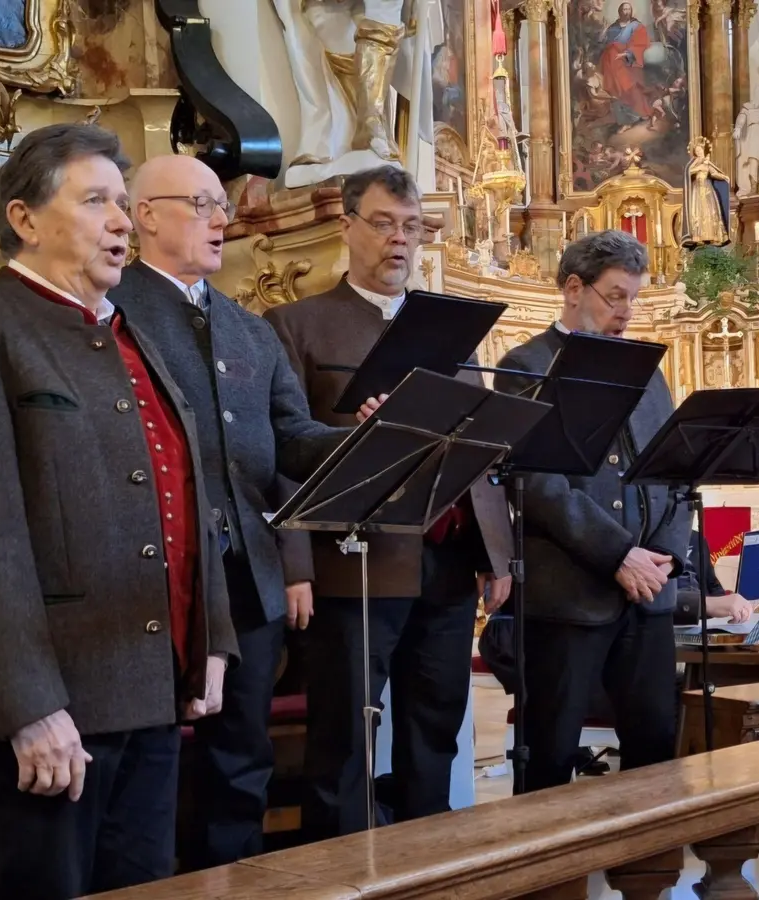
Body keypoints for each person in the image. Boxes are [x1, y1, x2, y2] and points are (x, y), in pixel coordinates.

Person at [0, 124, 240, 898]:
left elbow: (190, 490)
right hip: (54, 713)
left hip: (147, 694)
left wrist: (208, 635)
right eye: (95, 202)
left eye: (122, 202)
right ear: (25, 218)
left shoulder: (134, 338)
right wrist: (29, 707)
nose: (121, 220)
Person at [108, 154, 348, 866]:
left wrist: (368, 442)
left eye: (224, 205)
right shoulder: (114, 311)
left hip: (247, 575)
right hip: (158, 573)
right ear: (145, 214)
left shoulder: (250, 329)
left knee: (242, 757)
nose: (224, 220)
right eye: (203, 204)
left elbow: (292, 439)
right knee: (144, 761)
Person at [262, 165, 514, 838]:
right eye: (382, 224)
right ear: (346, 227)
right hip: (354, 568)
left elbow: (478, 446)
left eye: (410, 227)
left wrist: (497, 552)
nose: (398, 241)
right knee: (344, 741)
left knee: (436, 729)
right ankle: (339, 876)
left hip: (448, 562)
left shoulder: (448, 328)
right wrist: (296, 565)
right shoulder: (298, 325)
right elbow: (282, 448)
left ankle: (428, 867)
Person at [493, 230, 690, 792]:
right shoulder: (526, 364)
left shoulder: (648, 372)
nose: (627, 311)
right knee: (550, 755)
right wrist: (617, 554)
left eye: (633, 297)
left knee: (654, 747)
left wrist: (667, 558)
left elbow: (674, 470)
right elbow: (535, 483)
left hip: (650, 594)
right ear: (574, 288)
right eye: (615, 296)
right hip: (569, 596)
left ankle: (647, 874)